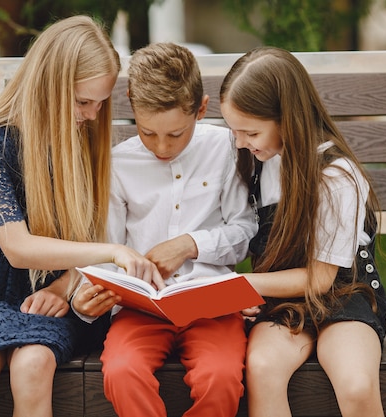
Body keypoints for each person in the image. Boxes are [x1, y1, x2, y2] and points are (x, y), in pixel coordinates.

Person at [0, 16, 160, 417]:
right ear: (48, 85)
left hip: (54, 298)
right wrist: (115, 251)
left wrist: (64, 288)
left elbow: (93, 233)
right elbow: (17, 248)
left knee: (33, 365)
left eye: (101, 103)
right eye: (83, 101)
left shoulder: (86, 141)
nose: (93, 115)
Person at [72, 42, 257, 417]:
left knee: (221, 378)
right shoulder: (119, 163)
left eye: (176, 134)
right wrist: (86, 300)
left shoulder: (225, 146)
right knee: (122, 372)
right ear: (130, 104)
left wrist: (191, 244)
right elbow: (108, 249)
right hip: (141, 307)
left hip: (211, 302)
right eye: (147, 132)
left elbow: (245, 231)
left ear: (201, 109)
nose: (161, 147)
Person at [219, 46, 386, 417]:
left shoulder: (336, 176)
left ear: (287, 118)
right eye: (233, 130)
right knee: (263, 368)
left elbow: (322, 278)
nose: (239, 142)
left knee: (356, 382)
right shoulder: (257, 161)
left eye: (250, 131)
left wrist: (245, 286)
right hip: (282, 302)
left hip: (342, 293)